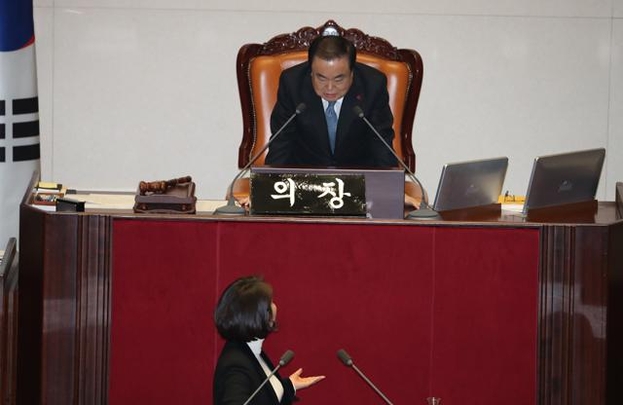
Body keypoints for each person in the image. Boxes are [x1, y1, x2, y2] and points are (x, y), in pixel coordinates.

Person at [265, 34, 397, 168]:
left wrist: (390, 184)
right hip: (305, 178)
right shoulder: (292, 84)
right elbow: (281, 141)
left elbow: (381, 143)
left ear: (352, 73)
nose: (329, 87)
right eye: (321, 78)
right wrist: (268, 183)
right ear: (311, 72)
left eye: (339, 79)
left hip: (358, 178)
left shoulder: (373, 85)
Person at [213, 276, 325, 405]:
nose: (275, 306)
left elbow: (260, 395)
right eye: (271, 303)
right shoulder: (236, 365)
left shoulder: (250, 350)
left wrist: (289, 386)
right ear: (256, 314)